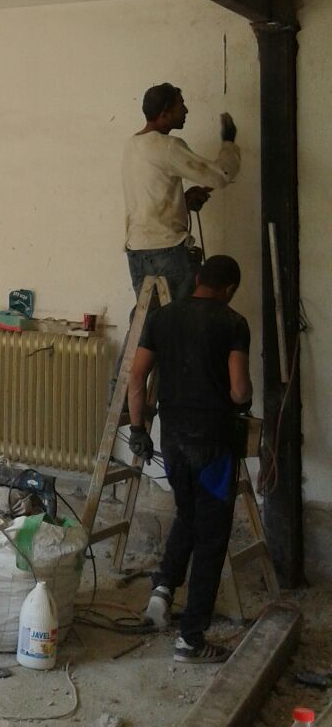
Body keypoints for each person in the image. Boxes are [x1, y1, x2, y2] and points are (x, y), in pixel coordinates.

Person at [127, 254, 252, 663]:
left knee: (188, 514)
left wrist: (138, 429)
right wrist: (245, 399)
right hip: (214, 443)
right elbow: (238, 390)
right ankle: (191, 640)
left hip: (173, 439)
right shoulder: (233, 323)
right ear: (229, 289)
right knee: (212, 536)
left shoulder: (162, 318)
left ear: (198, 277)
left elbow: (136, 375)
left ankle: (162, 593)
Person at [123, 84, 240, 306]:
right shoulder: (167, 146)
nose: (186, 110)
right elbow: (221, 176)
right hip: (167, 252)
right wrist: (229, 143)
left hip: (137, 250)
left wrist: (182, 202)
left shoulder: (132, 145)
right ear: (164, 113)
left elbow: (150, 199)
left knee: (151, 322)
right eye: (181, 105)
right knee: (182, 319)